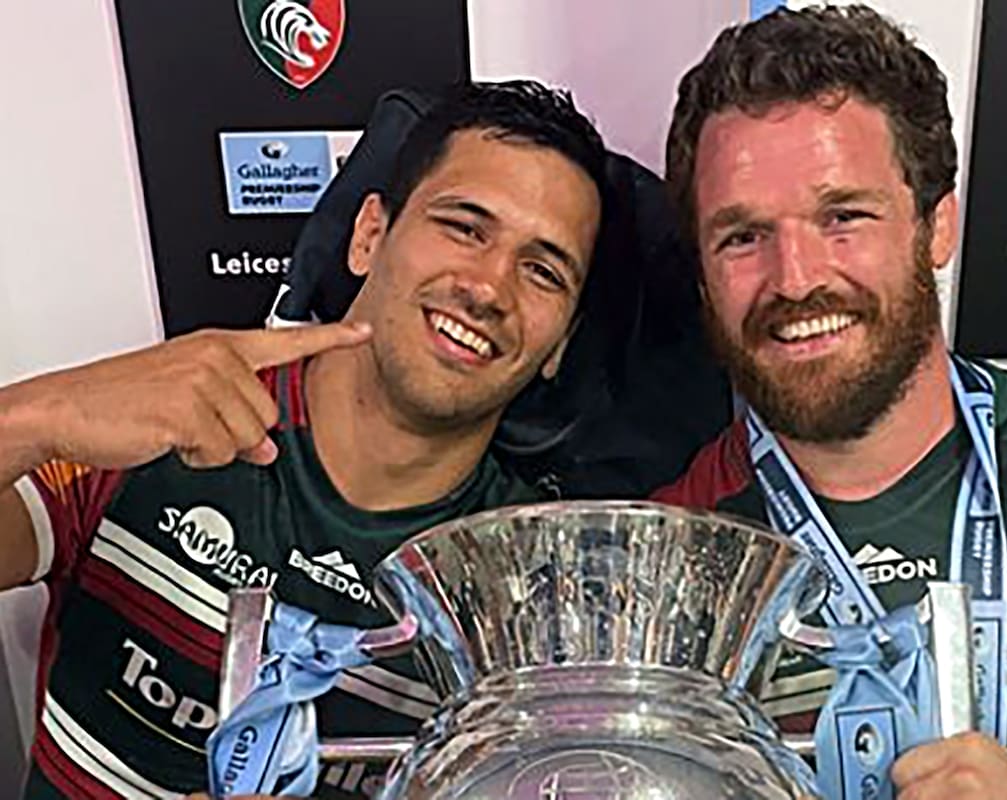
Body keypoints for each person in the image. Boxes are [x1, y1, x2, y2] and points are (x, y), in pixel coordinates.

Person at [0, 80, 609, 799]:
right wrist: (34, 416)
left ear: (558, 346)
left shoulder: (536, 584)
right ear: (368, 236)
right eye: (464, 226)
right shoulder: (157, 420)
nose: (488, 287)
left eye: (542, 270)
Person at [654, 5, 1007, 797]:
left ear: (937, 225)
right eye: (742, 236)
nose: (797, 278)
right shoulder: (662, 560)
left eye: (844, 216)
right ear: (702, 270)